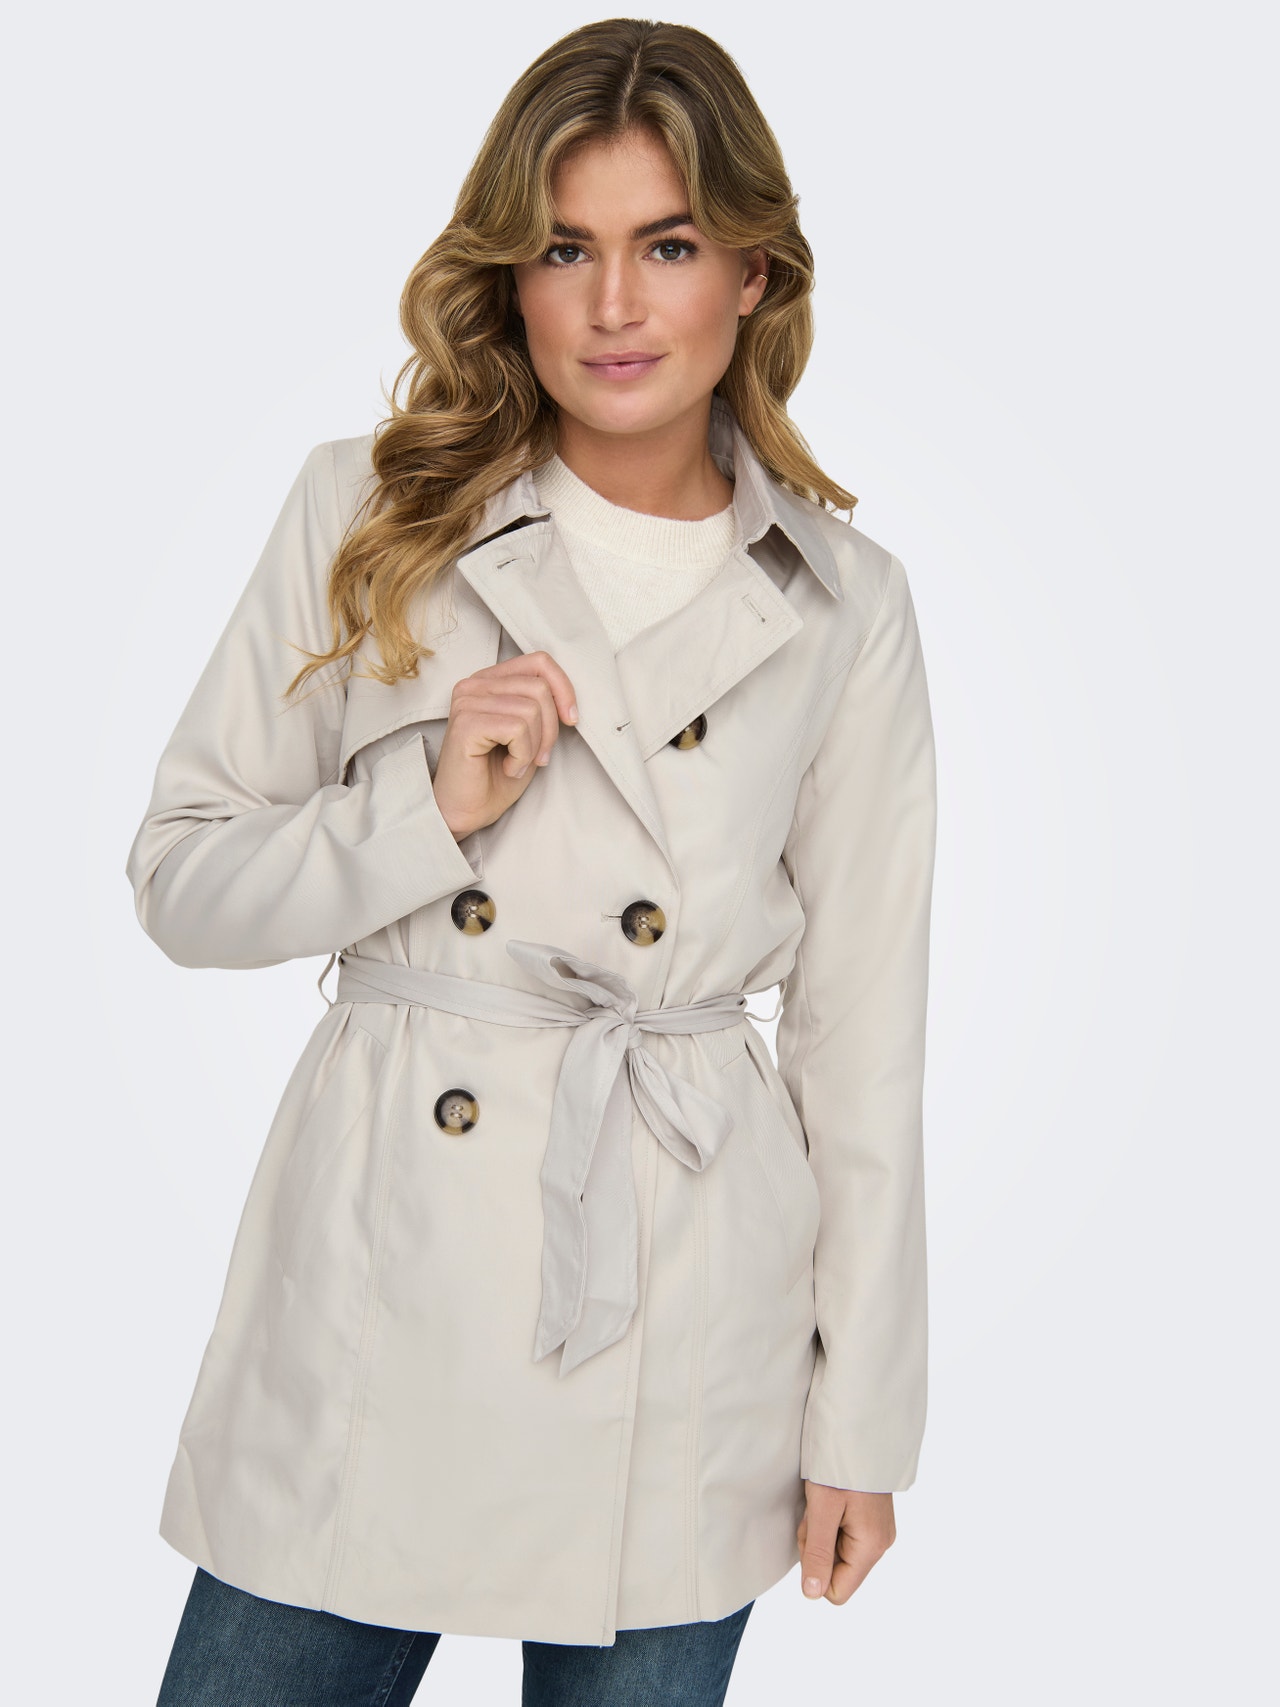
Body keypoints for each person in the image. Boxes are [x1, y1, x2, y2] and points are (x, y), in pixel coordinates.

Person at [129, 17, 939, 1706]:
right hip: (380, 1301)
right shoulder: (370, 513)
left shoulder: (841, 603)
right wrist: (420, 810)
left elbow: (860, 1041)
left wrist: (861, 1421)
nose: (616, 304)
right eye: (567, 249)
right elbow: (182, 883)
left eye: (671, 246)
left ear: (754, 275)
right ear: (510, 274)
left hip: (687, 1314)